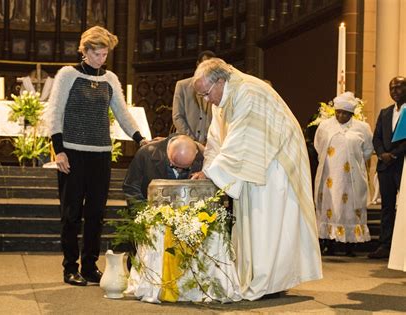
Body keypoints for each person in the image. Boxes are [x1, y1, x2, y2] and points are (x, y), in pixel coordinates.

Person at [190, 58, 322, 300]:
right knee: (254, 224)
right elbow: (216, 140)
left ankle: (269, 282)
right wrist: (208, 168)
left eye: (206, 94)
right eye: (202, 96)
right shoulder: (224, 96)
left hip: (274, 164)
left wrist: (212, 172)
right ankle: (263, 278)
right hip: (253, 164)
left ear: (219, 80)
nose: (206, 101)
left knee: (267, 223)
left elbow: (242, 139)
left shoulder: (248, 92)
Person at [46, 26, 148, 286]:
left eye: (105, 54)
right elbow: (55, 112)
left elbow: (122, 113)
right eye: (98, 54)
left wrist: (140, 139)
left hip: (101, 154)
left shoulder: (110, 79)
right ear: (85, 51)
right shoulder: (68, 75)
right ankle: (70, 267)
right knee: (71, 214)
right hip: (72, 153)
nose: (102, 59)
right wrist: (58, 150)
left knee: (95, 213)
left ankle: (90, 265)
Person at [314, 91, 374, 257]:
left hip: (351, 178)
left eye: (345, 113)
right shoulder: (325, 126)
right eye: (338, 112)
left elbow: (368, 150)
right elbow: (318, 146)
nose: (341, 115)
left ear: (352, 113)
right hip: (330, 176)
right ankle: (329, 243)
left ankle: (350, 245)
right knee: (330, 207)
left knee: (349, 209)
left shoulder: (362, 127)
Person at [369, 76, 406, 259]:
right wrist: (382, 154)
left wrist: (395, 154)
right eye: (391, 88)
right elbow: (376, 137)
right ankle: (385, 245)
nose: (394, 91)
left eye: (398, 87)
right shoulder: (385, 112)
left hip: (402, 165)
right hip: (385, 166)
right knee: (387, 207)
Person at [123, 134, 204, 203]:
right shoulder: (146, 154)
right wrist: (144, 213)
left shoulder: (204, 156)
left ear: (196, 153)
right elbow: (131, 188)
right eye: (174, 166)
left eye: (186, 168)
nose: (179, 171)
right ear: (168, 150)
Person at [172, 50, 216, 144]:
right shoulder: (182, 85)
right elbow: (177, 116)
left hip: (209, 143)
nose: (206, 68)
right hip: (185, 142)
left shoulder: (215, 87)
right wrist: (191, 139)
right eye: (204, 64)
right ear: (198, 64)